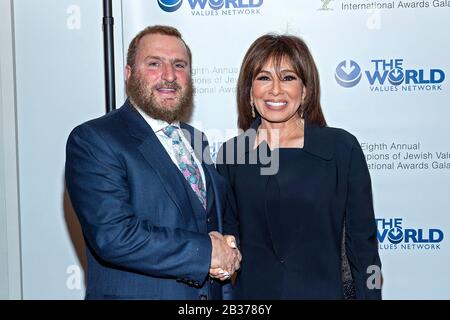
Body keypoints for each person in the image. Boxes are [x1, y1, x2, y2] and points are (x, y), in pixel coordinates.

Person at [65, 25, 241, 300]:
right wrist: (207, 252)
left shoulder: (197, 140)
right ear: (128, 73)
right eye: (154, 64)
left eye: (179, 65)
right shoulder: (94, 139)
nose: (169, 76)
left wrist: (226, 255)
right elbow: (114, 236)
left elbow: (213, 225)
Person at [216, 34, 382, 299]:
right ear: (249, 91)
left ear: (305, 91)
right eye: (263, 77)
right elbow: (228, 236)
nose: (276, 90)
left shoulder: (340, 148)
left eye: (288, 77)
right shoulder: (232, 154)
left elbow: (363, 245)